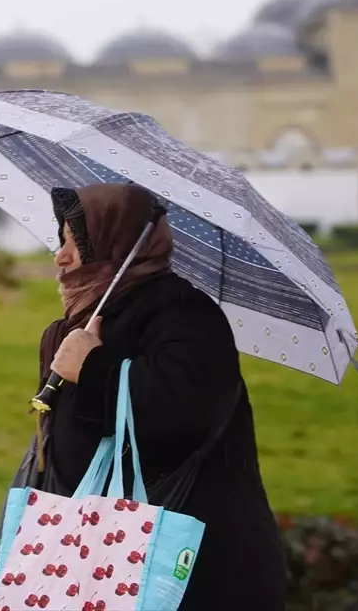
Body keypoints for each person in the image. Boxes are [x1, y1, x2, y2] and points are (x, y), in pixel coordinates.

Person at [35, 182, 287, 610]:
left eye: (75, 241)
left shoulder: (185, 316)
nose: (60, 256)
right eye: (60, 241)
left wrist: (92, 369)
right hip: (91, 558)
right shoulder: (78, 325)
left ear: (113, 243)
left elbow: (179, 414)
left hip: (187, 569)